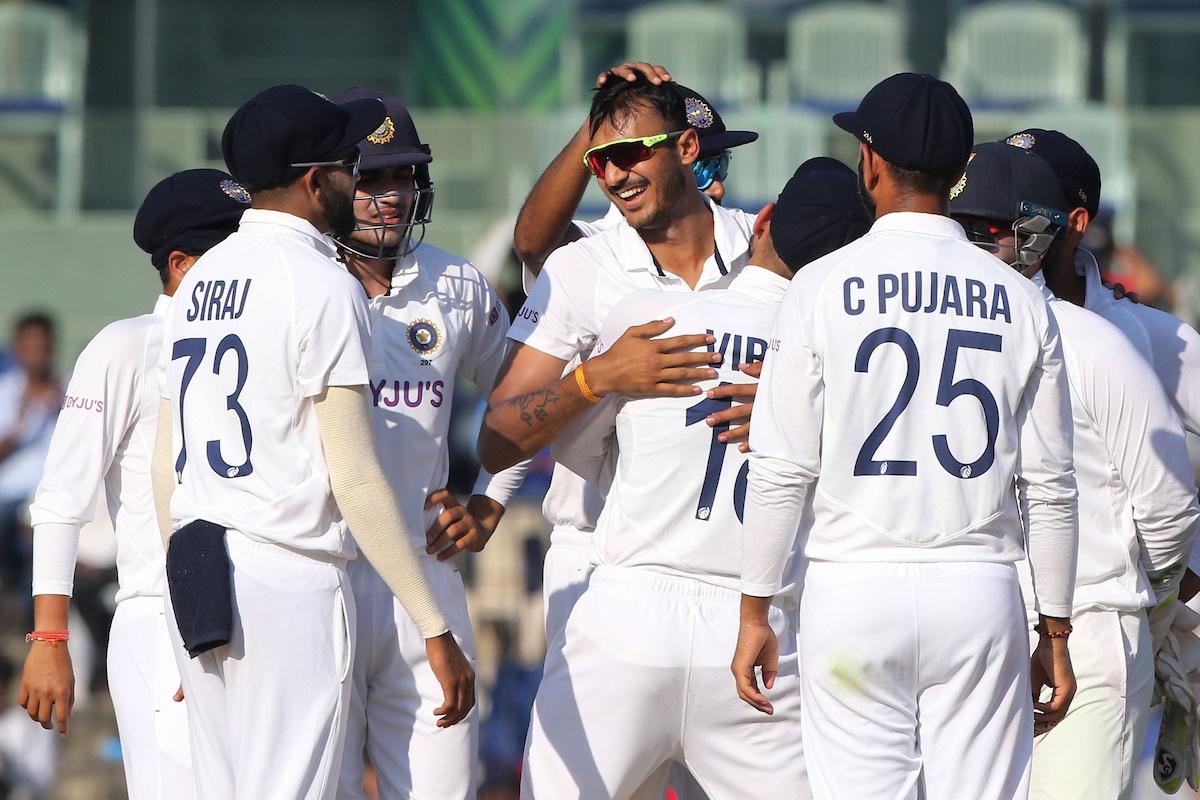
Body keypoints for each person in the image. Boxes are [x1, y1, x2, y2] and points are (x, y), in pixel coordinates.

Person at [732, 73, 1080, 799]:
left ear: (870, 161)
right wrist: (1055, 633)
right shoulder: (1022, 298)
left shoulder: (821, 284)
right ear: (960, 175)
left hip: (851, 591)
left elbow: (781, 470)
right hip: (979, 591)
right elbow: (1049, 487)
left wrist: (754, 609)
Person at [151, 84, 473, 800]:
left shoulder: (199, 282)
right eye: (346, 168)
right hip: (286, 579)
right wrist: (434, 626)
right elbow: (355, 478)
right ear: (312, 180)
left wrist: (184, 586)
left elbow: (162, 464)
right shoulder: (322, 285)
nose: (356, 181)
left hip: (200, 563)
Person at [521, 157, 868, 799]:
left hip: (628, 612)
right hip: (757, 631)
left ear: (763, 223)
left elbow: (575, 456)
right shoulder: (839, 366)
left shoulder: (647, 314)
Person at [949, 140, 1200, 799]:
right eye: (961, 227)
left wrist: (1147, 609)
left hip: (1088, 626)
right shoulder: (927, 334)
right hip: (969, 624)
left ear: (1036, 237)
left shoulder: (1100, 341)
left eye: (987, 231)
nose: (971, 244)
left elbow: (1171, 509)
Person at [507, 64, 760, 659]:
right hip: (597, 541)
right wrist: (596, 126)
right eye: (608, 159)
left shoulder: (756, 249)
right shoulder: (593, 253)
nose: (713, 184)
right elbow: (532, 243)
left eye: (717, 167)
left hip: (725, 552)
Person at [16, 168, 248, 797]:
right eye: (230, 247)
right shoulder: (127, 347)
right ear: (179, 261)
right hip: (158, 612)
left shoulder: (267, 336)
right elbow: (61, 497)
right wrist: (50, 637)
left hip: (256, 616)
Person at [326, 88, 526, 800]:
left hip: (425, 571)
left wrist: (492, 498)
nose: (391, 196)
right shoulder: (301, 283)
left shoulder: (456, 285)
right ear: (328, 180)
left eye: (404, 177)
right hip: (321, 573)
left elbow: (525, 402)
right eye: (372, 178)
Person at [0, 314, 60, 596]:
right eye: (30, 347)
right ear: (18, 349)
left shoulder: (69, 390)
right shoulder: (7, 392)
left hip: (52, 492)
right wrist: (22, 421)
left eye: (43, 347)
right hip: (9, 497)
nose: (37, 356)